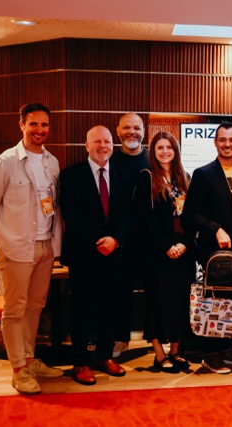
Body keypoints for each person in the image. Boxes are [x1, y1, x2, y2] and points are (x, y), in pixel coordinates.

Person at [0, 103, 63, 394]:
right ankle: (18, 369)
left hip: (45, 245)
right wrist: (5, 232)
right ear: (22, 125)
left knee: (35, 306)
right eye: (33, 124)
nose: (39, 130)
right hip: (16, 246)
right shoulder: (6, 162)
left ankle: (29, 359)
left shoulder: (52, 162)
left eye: (44, 125)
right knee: (15, 309)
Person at [60, 125, 133, 386]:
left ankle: (105, 356)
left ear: (113, 145)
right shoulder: (70, 175)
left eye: (107, 142)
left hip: (114, 253)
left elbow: (129, 214)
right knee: (82, 309)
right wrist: (98, 240)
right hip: (84, 253)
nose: (103, 146)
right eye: (97, 142)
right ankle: (80, 363)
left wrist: (116, 239)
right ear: (87, 145)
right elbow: (71, 214)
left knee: (109, 308)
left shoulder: (124, 175)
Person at [182, 122, 232, 374]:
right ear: (215, 143)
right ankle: (211, 355)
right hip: (214, 253)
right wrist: (215, 228)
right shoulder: (204, 174)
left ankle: (229, 350)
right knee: (214, 305)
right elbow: (190, 214)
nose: (227, 144)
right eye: (222, 139)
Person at [135, 132, 193, 374]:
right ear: (153, 151)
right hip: (158, 254)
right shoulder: (147, 177)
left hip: (182, 253)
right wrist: (165, 246)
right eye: (160, 148)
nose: (165, 152)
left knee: (179, 303)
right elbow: (145, 219)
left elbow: (191, 216)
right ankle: (159, 354)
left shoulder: (185, 177)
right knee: (157, 304)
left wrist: (185, 244)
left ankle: (175, 351)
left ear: (175, 150)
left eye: (169, 147)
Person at [109, 113, 151, 357]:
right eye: (126, 127)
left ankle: (159, 338)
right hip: (120, 240)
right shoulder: (109, 160)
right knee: (120, 292)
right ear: (118, 131)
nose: (131, 132)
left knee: (156, 290)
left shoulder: (154, 159)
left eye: (136, 128)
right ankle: (120, 339)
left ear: (143, 131)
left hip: (152, 238)